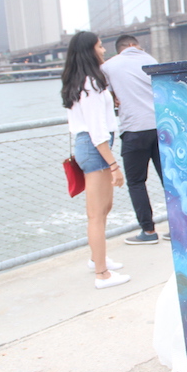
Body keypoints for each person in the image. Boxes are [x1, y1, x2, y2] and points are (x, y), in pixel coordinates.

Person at [61, 31, 130, 289]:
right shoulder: (90, 83)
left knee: (103, 208)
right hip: (95, 148)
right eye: (100, 47)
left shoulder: (86, 81)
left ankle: (96, 259)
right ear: (90, 50)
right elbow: (96, 130)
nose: (103, 51)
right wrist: (114, 165)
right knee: (96, 215)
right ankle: (102, 275)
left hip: (93, 147)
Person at [101, 35, 166, 245]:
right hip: (160, 127)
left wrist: (114, 97)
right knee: (169, 181)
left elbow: (102, 93)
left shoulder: (109, 66)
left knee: (137, 182)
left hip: (134, 130)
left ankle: (148, 232)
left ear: (121, 49)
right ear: (132, 45)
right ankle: (179, 228)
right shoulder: (151, 60)